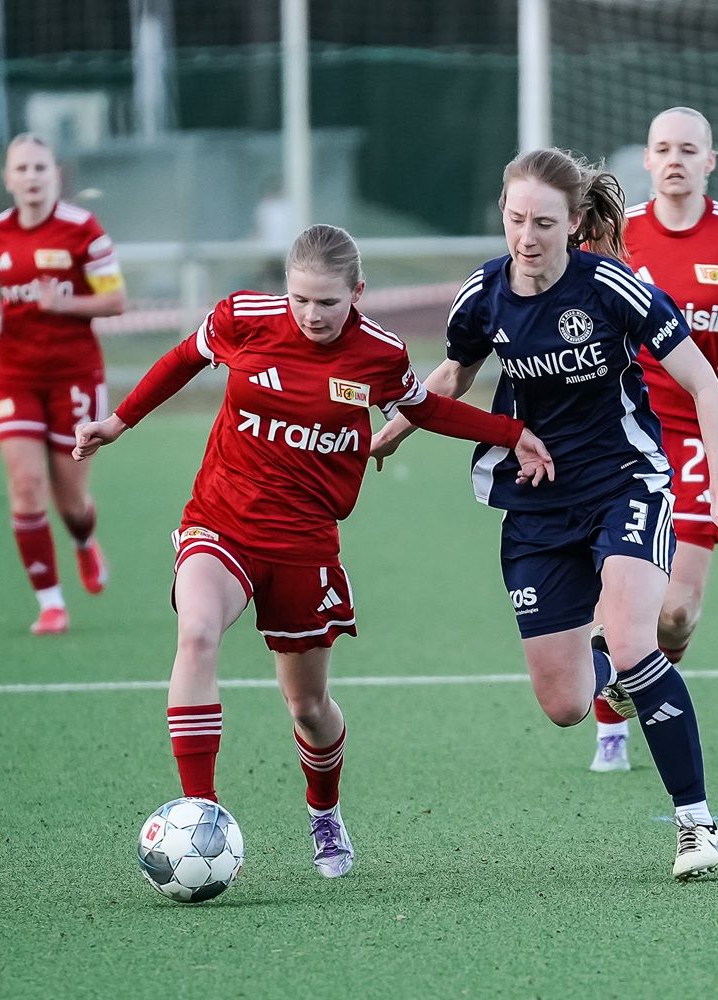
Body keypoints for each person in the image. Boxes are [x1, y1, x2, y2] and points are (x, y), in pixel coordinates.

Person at [73, 224, 552, 879]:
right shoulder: (244, 318)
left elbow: (427, 408)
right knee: (198, 634)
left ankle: (323, 810)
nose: (312, 314)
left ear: (357, 293)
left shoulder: (378, 354)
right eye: (300, 299)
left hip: (304, 543)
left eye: (328, 302)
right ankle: (200, 814)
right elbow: (184, 357)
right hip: (222, 520)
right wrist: (118, 423)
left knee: (308, 707)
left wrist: (512, 431)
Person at [370, 148, 718, 882]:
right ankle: (610, 661)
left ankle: (695, 823)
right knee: (563, 705)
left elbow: (704, 385)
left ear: (575, 223)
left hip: (627, 482)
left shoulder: (613, 286)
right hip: (535, 505)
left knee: (636, 639)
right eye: (516, 219)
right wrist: (398, 424)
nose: (527, 236)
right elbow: (455, 371)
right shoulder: (483, 294)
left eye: (544, 223)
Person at [589, 106, 718, 772]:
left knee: (676, 613)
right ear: (646, 161)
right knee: (616, 593)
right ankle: (613, 710)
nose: (674, 159)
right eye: (661, 148)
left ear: (711, 160)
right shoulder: (617, 236)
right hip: (623, 430)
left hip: (702, 433)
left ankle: (630, 690)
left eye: (688, 149)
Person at [0, 133, 125, 635]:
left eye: (40, 168)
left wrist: (66, 305)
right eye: (22, 169)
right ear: (8, 178)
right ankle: (51, 603)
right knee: (26, 487)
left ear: (56, 175)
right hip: (14, 375)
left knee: (70, 500)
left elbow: (116, 300)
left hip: (74, 376)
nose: (31, 178)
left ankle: (83, 540)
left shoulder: (83, 230)